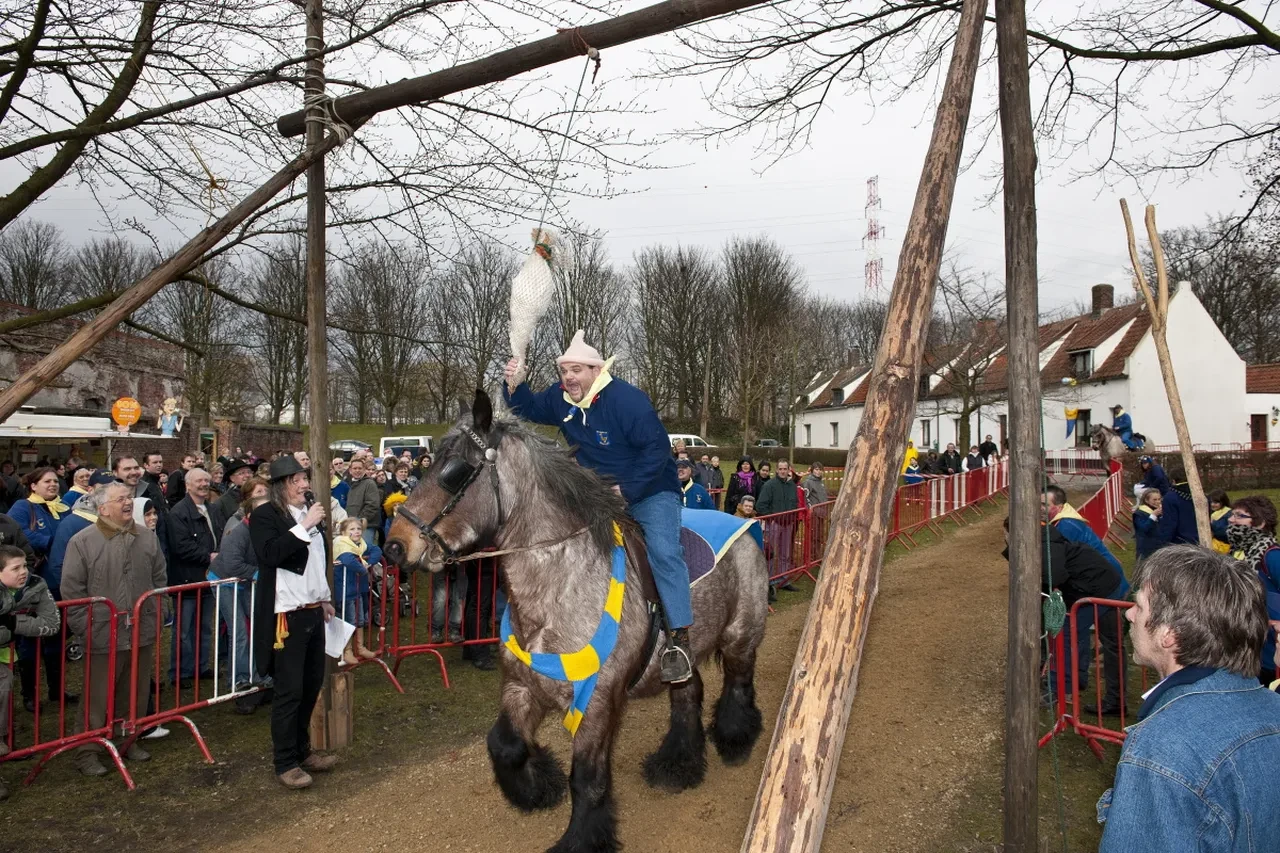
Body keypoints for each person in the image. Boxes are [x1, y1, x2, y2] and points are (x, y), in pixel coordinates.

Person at [504, 329, 694, 683]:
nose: (569, 377)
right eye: (564, 371)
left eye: (576, 370)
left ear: (596, 370)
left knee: (664, 552)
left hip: (652, 491)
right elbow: (526, 408)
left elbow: (656, 451)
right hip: (598, 494)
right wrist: (515, 385)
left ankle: (679, 639)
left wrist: (628, 489)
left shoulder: (628, 401)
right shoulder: (561, 398)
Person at [1097, 546, 1280, 850]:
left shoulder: (1162, 747)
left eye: (1139, 606)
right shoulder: (1274, 706)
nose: (1129, 614)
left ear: (1169, 634)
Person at [61, 481, 167, 777]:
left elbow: (160, 578)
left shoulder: (147, 538)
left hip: (141, 629)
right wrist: (86, 626)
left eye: (128, 497)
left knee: (135, 691)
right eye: (120, 499)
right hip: (102, 632)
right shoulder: (82, 541)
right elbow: (72, 590)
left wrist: (159, 612)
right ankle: (87, 750)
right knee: (96, 696)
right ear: (103, 508)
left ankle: (126, 740)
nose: (127, 502)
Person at [248, 455, 338, 790]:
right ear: (280, 485)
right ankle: (285, 761)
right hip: (286, 615)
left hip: (312, 610)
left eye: (305, 479)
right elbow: (270, 554)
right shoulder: (265, 516)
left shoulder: (307, 515)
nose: (304, 485)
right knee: (289, 691)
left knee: (311, 684)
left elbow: (316, 561)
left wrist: (324, 597)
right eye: (296, 480)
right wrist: (305, 526)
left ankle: (303, 751)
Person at [1004, 517, 1126, 715]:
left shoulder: (1045, 544)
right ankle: (1081, 684)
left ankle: (1059, 689)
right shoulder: (1046, 538)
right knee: (1098, 641)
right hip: (1101, 586)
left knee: (1064, 634)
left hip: (1099, 590)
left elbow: (1054, 576)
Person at [6, 467, 72, 711]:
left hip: (59, 582)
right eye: (47, 481)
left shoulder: (63, 508)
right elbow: (20, 534)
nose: (53, 485)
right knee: (30, 641)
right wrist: (52, 541)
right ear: (33, 485)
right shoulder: (23, 507)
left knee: (56, 636)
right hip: (34, 584)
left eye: (55, 481)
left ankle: (57, 689)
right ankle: (30, 694)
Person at [209, 478, 269, 710]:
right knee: (239, 631)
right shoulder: (238, 532)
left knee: (255, 628)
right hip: (226, 581)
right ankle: (238, 679)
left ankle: (257, 674)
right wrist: (257, 574)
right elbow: (232, 564)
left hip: (245, 581)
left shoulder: (262, 530)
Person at [166, 468, 220, 686]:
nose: (204, 484)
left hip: (208, 578)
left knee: (204, 626)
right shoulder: (178, 513)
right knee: (184, 629)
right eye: (199, 481)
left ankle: (201, 666)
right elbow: (180, 546)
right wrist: (209, 556)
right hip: (186, 579)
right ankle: (180, 672)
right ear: (188, 485)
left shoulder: (212, 509)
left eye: (206, 480)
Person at [1223, 496, 1280, 686]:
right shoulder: (1238, 553)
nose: (1231, 520)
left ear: (1260, 522)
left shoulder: (1272, 556)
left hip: (1270, 651)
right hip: (1242, 646)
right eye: (1232, 514)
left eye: (1240, 516)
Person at [333, 518, 380, 665]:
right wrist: (363, 569)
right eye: (352, 529)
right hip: (345, 589)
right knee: (348, 620)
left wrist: (369, 563)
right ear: (343, 532)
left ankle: (360, 647)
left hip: (358, 589)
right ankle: (347, 651)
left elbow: (377, 550)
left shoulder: (361, 545)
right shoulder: (341, 544)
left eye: (359, 529)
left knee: (359, 619)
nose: (357, 532)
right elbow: (348, 560)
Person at [757, 460, 801, 593]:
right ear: (776, 470)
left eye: (785, 469)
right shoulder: (770, 485)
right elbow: (760, 505)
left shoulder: (792, 485)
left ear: (789, 470)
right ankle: (768, 582)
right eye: (780, 469)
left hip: (788, 524)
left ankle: (783, 580)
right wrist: (772, 518)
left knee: (785, 554)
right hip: (774, 524)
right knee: (770, 553)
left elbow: (795, 503)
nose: (782, 471)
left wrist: (792, 517)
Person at [1156, 467, 1199, 547]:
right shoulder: (1199, 494)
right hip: (1199, 539)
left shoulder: (1170, 497)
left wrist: (1163, 542)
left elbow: (1169, 524)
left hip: (1179, 542)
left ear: (1173, 481)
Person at [345, 457, 382, 547]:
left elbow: (372, 504)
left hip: (367, 526)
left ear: (364, 470)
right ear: (350, 470)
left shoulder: (369, 483)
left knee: (365, 550)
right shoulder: (350, 484)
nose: (357, 470)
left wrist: (361, 520)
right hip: (352, 526)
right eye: (355, 468)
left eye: (360, 468)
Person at [212, 458, 255, 532]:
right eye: (241, 473)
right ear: (232, 478)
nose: (247, 475)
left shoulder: (261, 494)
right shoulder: (223, 502)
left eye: (249, 472)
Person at [1132, 488, 1165, 563]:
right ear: (1146, 500)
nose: (1158, 502)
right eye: (1154, 500)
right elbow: (1143, 529)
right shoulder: (1140, 513)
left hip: (1159, 546)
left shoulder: (1160, 511)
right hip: (1145, 549)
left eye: (1159, 499)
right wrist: (1153, 516)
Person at [1208, 489, 1233, 554]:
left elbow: (1229, 533)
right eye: (1211, 502)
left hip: (1225, 548)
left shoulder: (1229, 514)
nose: (1212, 504)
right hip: (1214, 546)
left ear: (1223, 502)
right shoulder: (1211, 513)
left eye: (1216, 502)